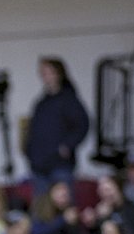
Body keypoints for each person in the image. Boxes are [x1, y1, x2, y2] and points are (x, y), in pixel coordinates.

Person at [23, 57, 90, 199]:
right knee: (41, 208)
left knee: (62, 204)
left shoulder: (69, 99)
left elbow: (82, 124)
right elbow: (33, 130)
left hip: (60, 164)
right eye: (43, 73)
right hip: (39, 164)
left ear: (58, 74)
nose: (46, 77)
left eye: (49, 72)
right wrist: (29, 151)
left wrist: (68, 145)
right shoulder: (41, 103)